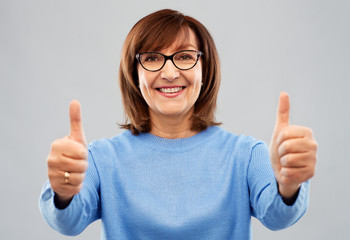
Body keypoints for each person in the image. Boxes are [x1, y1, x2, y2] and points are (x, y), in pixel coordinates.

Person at [39, 9, 317, 239]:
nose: (170, 73)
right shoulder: (100, 159)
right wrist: (63, 191)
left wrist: (289, 184)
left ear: (204, 70)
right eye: (151, 58)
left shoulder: (245, 154)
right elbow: (68, 222)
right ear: (134, 75)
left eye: (184, 56)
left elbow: (279, 216)